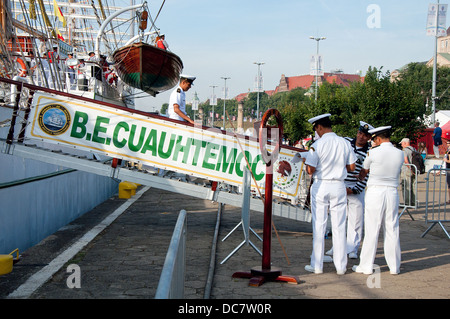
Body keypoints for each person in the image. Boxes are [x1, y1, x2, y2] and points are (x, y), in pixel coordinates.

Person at [303, 113, 357, 275]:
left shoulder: (317, 145)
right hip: (339, 185)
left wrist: (307, 163)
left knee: (319, 225)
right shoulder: (344, 143)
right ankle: (341, 267)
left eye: (316, 129)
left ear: (319, 127)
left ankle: (317, 265)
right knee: (340, 226)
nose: (316, 133)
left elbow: (310, 170)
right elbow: (352, 167)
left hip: (321, 185)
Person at [352, 126, 404, 275]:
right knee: (392, 229)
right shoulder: (399, 153)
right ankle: (394, 267)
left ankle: (366, 266)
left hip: (375, 192)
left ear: (378, 139)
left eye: (374, 139)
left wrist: (360, 176)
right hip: (392, 192)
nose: (373, 142)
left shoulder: (373, 152)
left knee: (372, 230)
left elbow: (364, 171)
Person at [326, 121, 373, 260]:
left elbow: (367, 173)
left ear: (369, 138)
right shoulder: (346, 142)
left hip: (355, 189)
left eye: (365, 135)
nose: (361, 137)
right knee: (338, 219)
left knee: (356, 220)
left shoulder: (370, 152)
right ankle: (337, 246)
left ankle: (353, 248)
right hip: (340, 185)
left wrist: (354, 190)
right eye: (360, 133)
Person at [399, 137, 416, 207]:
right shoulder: (414, 149)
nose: (401, 145)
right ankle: (413, 202)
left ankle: (407, 203)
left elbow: (406, 161)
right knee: (413, 186)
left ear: (405, 143)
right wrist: (414, 170)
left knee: (406, 186)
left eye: (402, 143)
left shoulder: (405, 150)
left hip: (406, 170)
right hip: (414, 169)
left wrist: (410, 168)